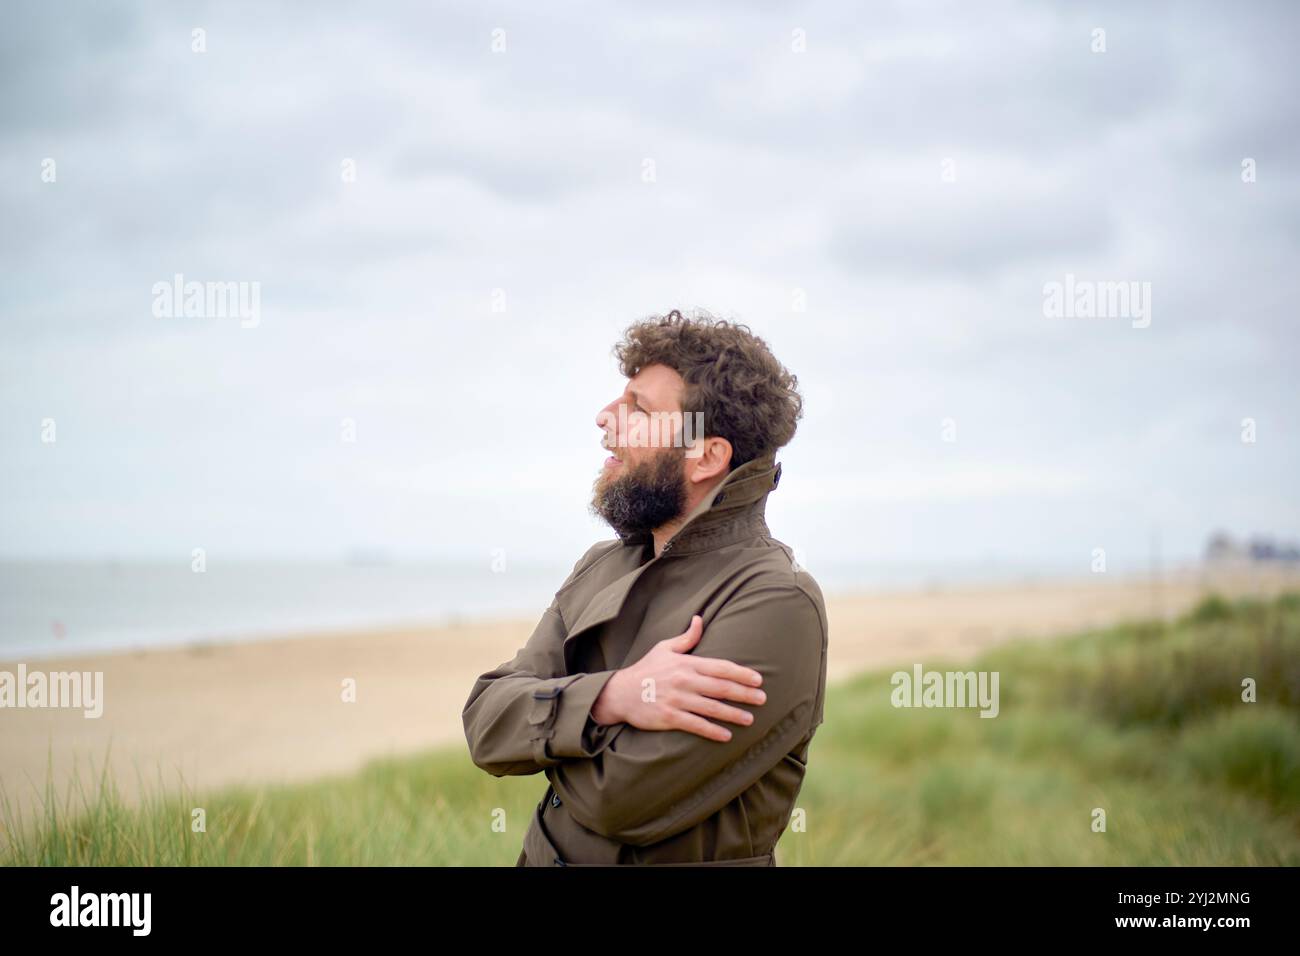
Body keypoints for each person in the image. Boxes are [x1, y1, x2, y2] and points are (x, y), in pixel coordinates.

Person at [462, 309, 827, 866]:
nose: (604, 418)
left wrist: (547, 729)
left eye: (638, 410)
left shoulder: (776, 602)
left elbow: (619, 802)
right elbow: (486, 723)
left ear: (706, 455)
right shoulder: (601, 565)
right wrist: (614, 696)